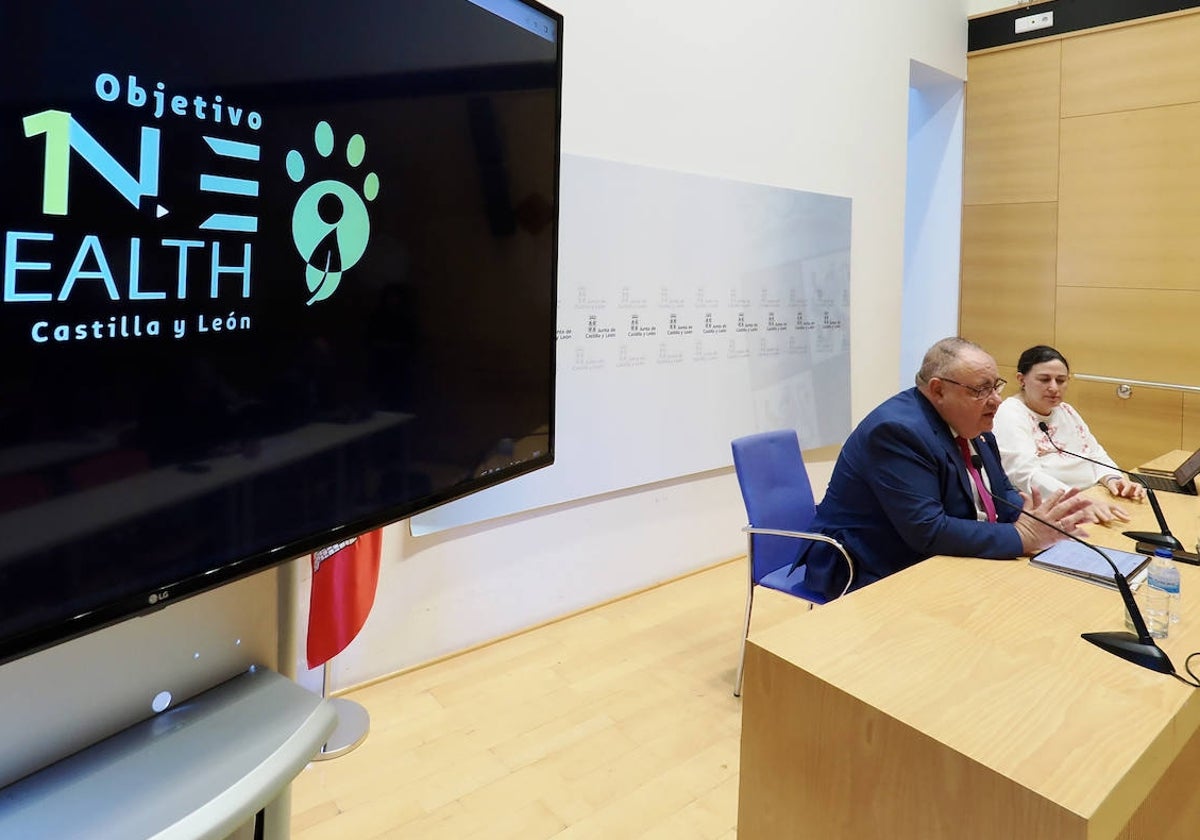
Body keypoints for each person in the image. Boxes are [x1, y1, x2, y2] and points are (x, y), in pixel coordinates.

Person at [803, 337, 1093, 599]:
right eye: (981, 389)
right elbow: (928, 530)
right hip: (868, 563)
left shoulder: (974, 421)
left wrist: (1042, 518)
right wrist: (1021, 537)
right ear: (938, 390)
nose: (996, 399)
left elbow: (1001, 491)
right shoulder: (896, 432)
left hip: (930, 557)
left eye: (996, 386)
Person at [992, 345, 1145, 525]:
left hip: (1092, 497)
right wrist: (1078, 503)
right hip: (1053, 509)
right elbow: (1024, 474)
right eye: (1044, 379)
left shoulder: (1065, 410)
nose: (1054, 387)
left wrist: (1113, 479)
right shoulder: (1009, 413)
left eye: (1061, 380)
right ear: (1021, 379)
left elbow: (1095, 453)